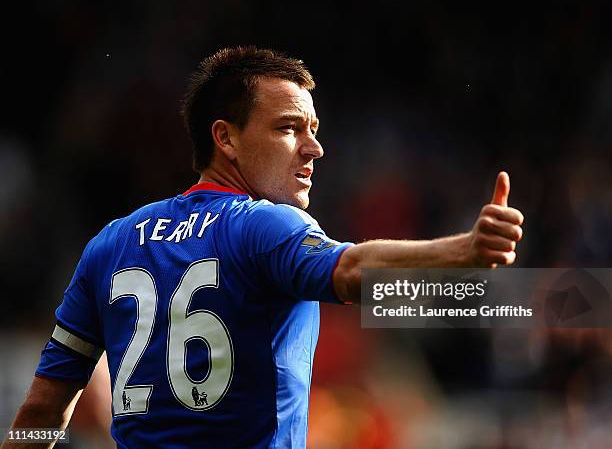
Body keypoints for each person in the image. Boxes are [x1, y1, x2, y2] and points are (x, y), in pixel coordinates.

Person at [2, 46, 524, 449]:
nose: (314, 148)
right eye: (289, 128)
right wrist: (462, 253)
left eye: (314, 130)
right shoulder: (263, 227)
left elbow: (42, 416)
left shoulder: (110, 244)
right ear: (225, 138)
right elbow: (350, 272)